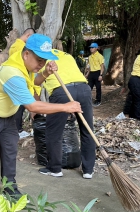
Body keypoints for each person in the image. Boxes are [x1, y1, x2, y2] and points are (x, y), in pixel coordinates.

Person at [0, 34, 82, 204]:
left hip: (7, 115)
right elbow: (32, 106)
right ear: (27, 54)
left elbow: (33, 81)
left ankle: (9, 187)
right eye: (39, 60)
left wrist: (45, 73)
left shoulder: (22, 63)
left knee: (10, 150)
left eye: (45, 61)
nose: (41, 64)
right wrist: (66, 107)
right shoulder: (12, 73)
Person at [34, 49, 96, 179]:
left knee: (54, 132)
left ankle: (55, 169)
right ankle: (88, 171)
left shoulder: (39, 57)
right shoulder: (65, 54)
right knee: (87, 130)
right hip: (84, 89)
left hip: (61, 90)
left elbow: (36, 82)